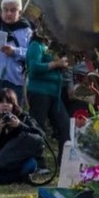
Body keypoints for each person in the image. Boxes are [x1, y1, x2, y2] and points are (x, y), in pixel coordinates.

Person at [25, 29, 70, 168]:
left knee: (65, 125)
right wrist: (56, 64)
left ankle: (65, 162)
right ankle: (36, 163)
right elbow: (34, 69)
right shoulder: (35, 46)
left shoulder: (52, 47)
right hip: (39, 92)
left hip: (54, 93)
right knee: (38, 127)